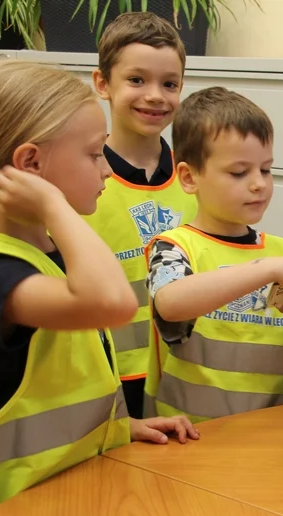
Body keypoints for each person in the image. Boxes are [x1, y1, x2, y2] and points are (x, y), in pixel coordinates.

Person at [0, 60, 198, 512]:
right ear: (30, 163)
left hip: (71, 498)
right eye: (94, 153)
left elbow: (61, 392)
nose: (105, 169)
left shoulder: (52, 255)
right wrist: (50, 202)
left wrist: (117, 428)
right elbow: (112, 303)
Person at [142, 87, 283, 423]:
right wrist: (266, 269)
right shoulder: (173, 248)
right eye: (239, 172)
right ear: (188, 177)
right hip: (193, 437)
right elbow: (171, 304)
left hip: (275, 432)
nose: (259, 184)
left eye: (267, 169)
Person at [83, 12, 198, 419]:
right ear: (102, 84)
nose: (155, 96)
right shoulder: (80, 181)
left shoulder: (197, 178)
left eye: (169, 84)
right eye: (136, 80)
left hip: (185, 377)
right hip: (108, 380)